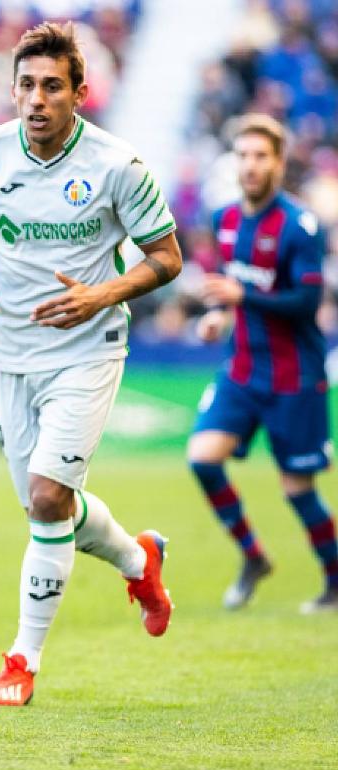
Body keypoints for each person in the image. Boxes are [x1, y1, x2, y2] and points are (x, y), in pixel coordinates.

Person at [0, 21, 180, 707]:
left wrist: (103, 292)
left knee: (46, 499)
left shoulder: (117, 167)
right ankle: (139, 559)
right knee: (51, 506)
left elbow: (167, 259)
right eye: (26, 86)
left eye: (51, 87)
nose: (36, 100)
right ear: (12, 91)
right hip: (8, 353)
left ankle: (21, 661)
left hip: (88, 350)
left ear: (80, 93)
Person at [189, 114, 335, 614]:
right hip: (242, 370)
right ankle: (253, 556)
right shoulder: (225, 219)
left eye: (261, 156)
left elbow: (304, 302)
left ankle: (334, 579)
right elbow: (231, 294)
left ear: (278, 162)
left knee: (298, 489)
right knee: (203, 458)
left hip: (295, 377)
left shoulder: (300, 225)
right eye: (243, 156)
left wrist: (241, 295)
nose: (250, 166)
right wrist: (218, 316)